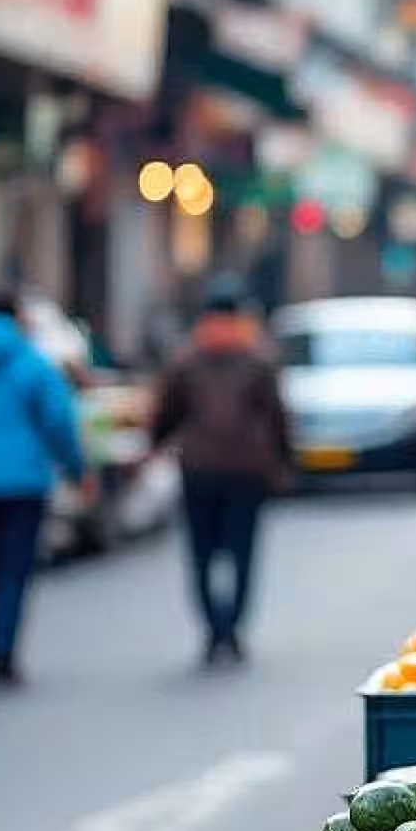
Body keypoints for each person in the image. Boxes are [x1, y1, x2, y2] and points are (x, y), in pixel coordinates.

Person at [0, 286, 88, 685]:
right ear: (16, 316)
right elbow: (59, 422)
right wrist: (77, 468)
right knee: (13, 568)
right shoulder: (33, 363)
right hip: (25, 481)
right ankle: (3, 647)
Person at [152, 278, 291, 666]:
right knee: (242, 552)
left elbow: (166, 415)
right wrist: (283, 462)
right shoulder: (257, 360)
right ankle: (232, 627)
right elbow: (278, 418)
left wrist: (154, 447)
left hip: (198, 468)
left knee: (201, 553)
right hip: (246, 468)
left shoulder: (186, 361)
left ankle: (215, 628)